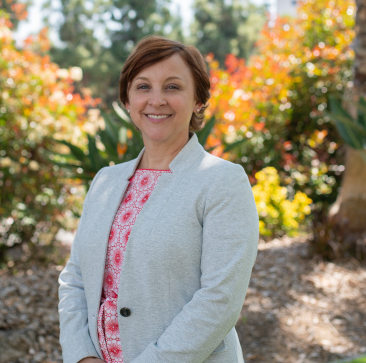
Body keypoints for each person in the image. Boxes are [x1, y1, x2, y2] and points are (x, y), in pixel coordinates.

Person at [58, 36, 259, 363]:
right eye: (143, 87)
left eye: (172, 87)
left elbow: (219, 300)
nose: (156, 100)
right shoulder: (105, 181)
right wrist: (82, 356)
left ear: (198, 100)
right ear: (127, 99)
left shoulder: (222, 182)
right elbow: (75, 280)